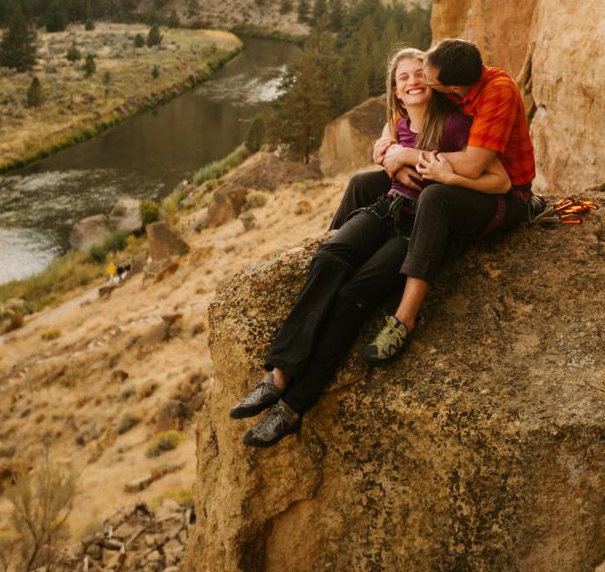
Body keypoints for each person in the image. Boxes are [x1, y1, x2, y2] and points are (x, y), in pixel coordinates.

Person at [229, 48, 512, 448]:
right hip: (385, 209)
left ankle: (292, 408)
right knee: (329, 257)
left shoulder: (455, 125)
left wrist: (446, 176)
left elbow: (497, 177)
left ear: (433, 83)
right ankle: (278, 374)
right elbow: (387, 146)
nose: (413, 82)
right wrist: (386, 154)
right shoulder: (396, 125)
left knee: (354, 295)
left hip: (416, 229)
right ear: (395, 91)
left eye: (419, 75)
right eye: (403, 78)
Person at [360, 37, 536, 362]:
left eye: (429, 79)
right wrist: (387, 148)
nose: (422, 81)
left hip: (504, 193)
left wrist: (406, 155)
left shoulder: (496, 93)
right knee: (363, 184)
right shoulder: (456, 67)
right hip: (463, 177)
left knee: (435, 197)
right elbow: (400, 116)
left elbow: (472, 166)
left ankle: (404, 319)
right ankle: (336, 256)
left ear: (453, 88)